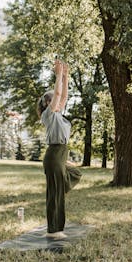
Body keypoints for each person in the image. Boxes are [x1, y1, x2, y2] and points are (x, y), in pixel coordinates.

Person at [36, 59, 81, 239]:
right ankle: (54, 231)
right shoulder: (49, 115)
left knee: (75, 174)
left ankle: (55, 226)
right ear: (48, 103)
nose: (59, 100)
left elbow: (63, 96)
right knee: (55, 195)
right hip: (54, 155)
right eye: (52, 99)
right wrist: (57, 76)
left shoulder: (59, 115)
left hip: (60, 155)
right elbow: (58, 94)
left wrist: (66, 76)